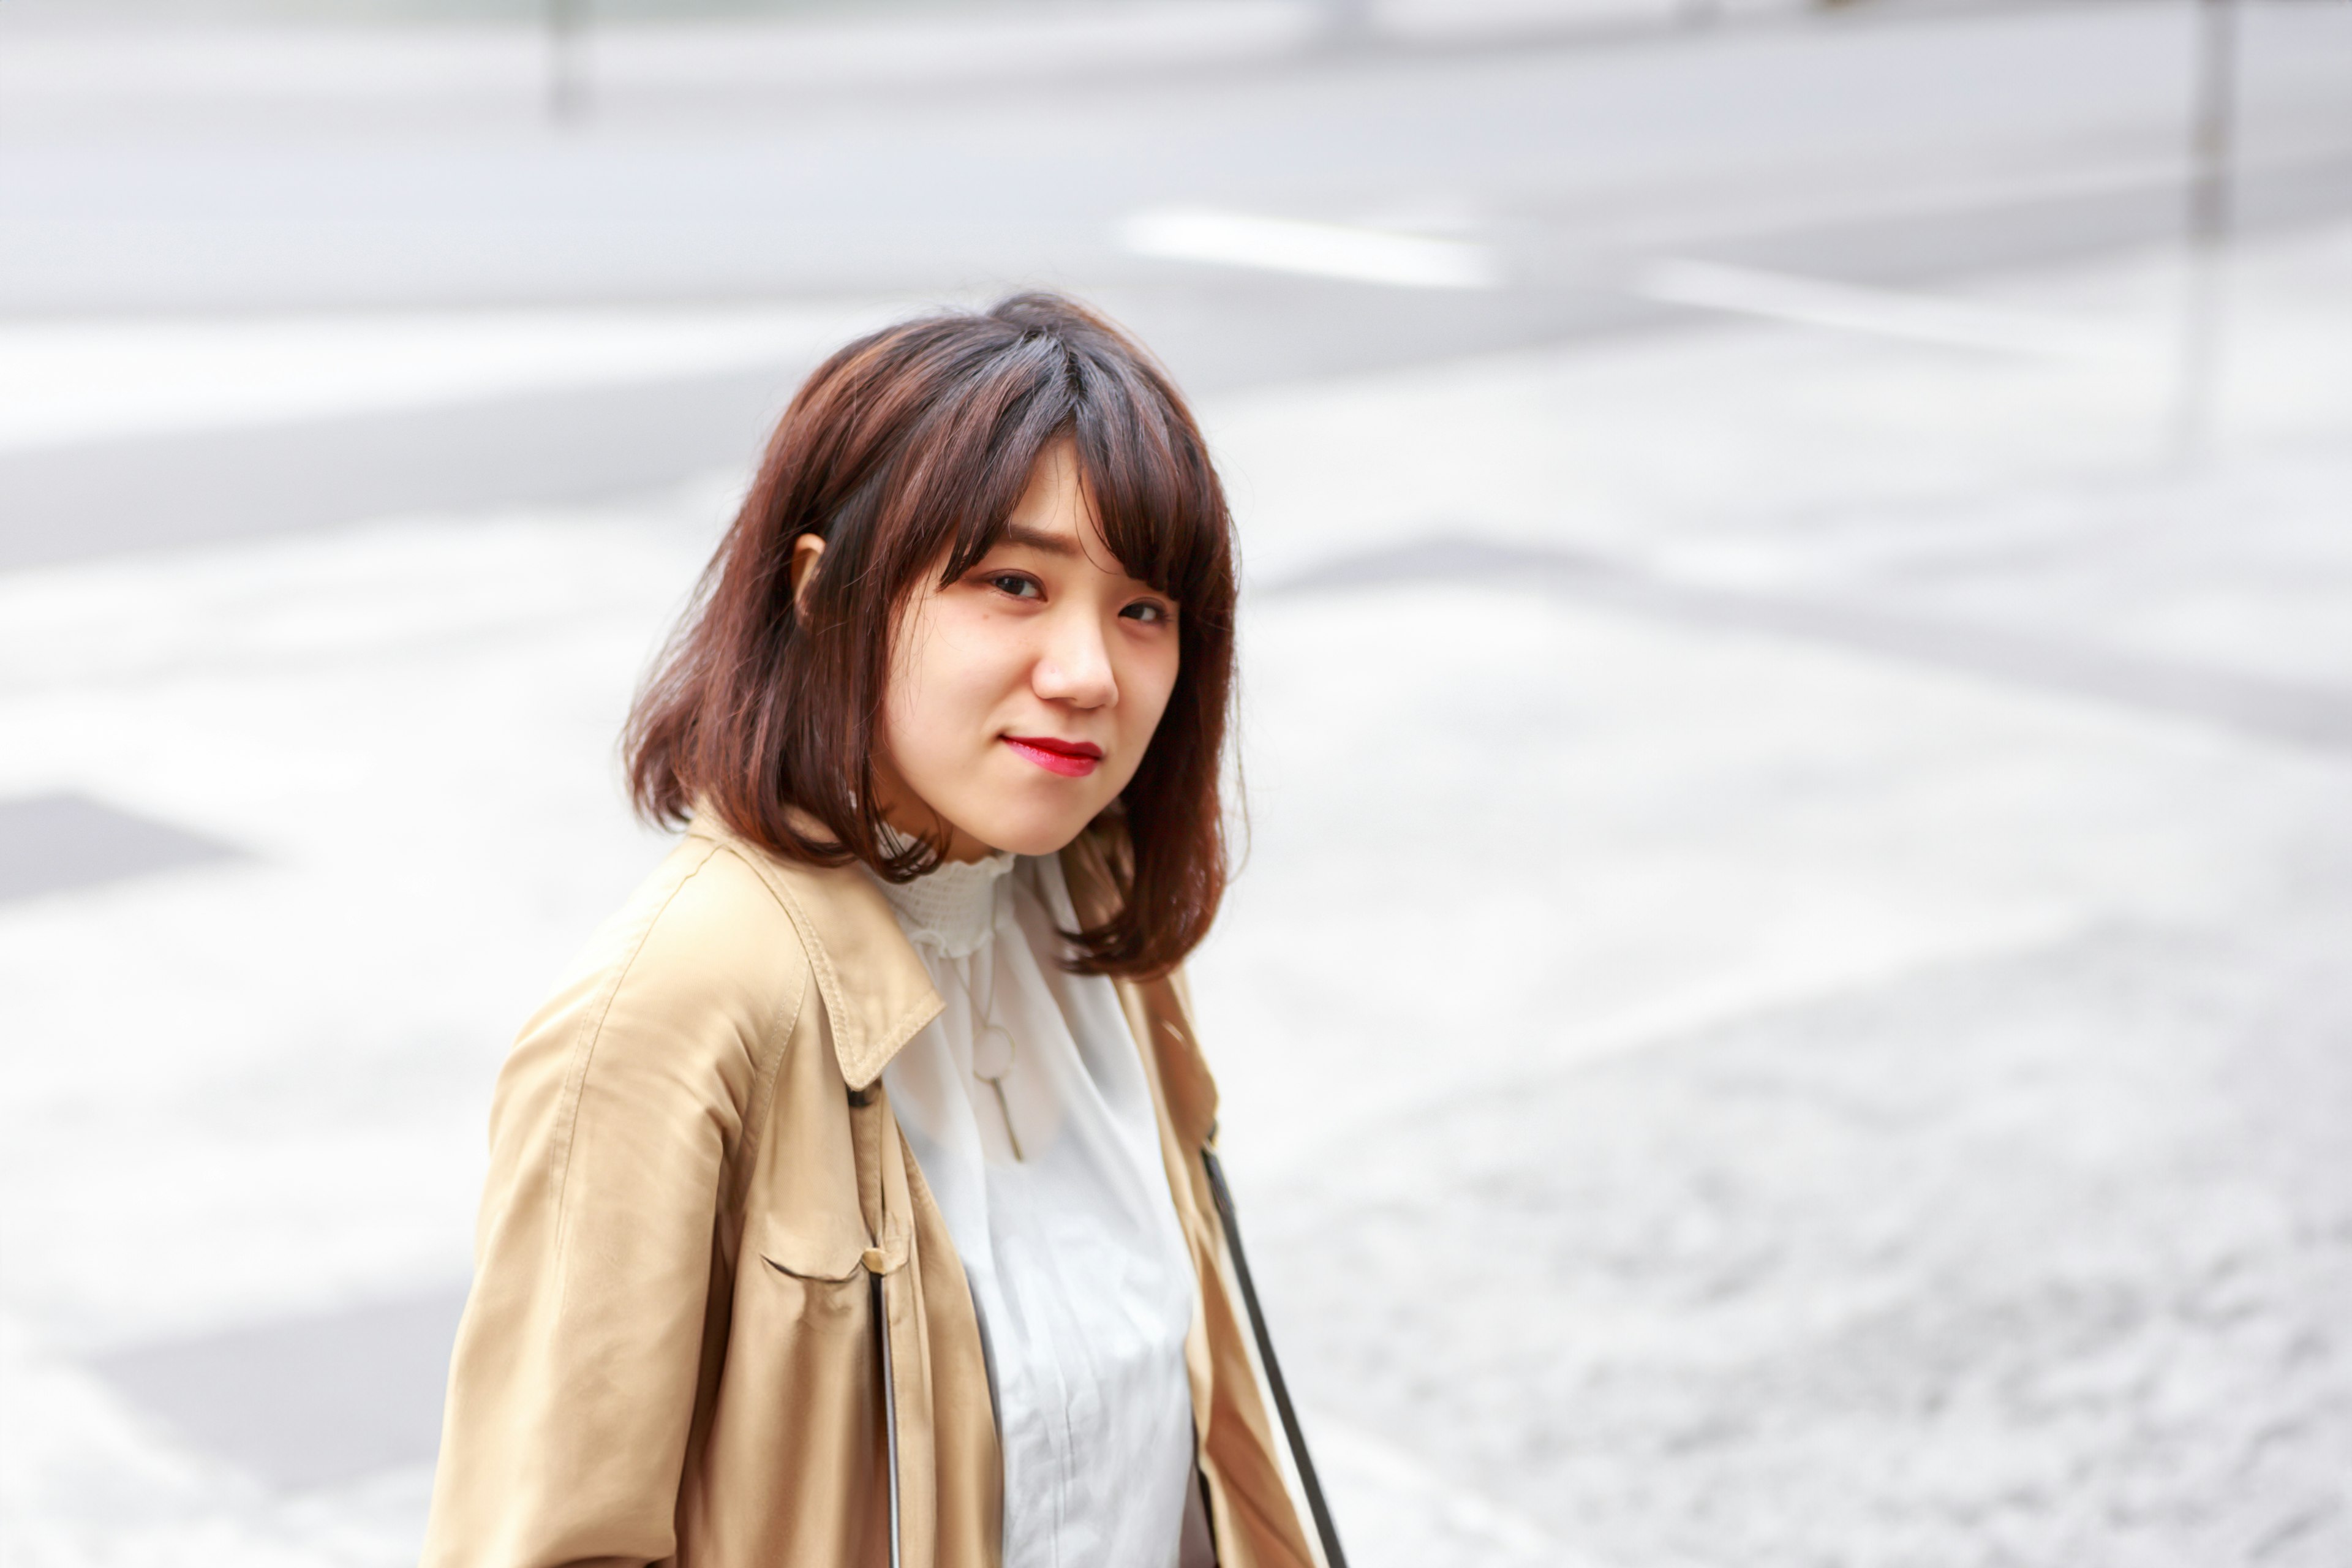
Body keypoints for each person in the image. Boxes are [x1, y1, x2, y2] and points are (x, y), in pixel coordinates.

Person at [422, 294, 1326, 1568]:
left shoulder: (1093, 920)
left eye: (1144, 609)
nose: (1088, 671)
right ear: (823, 590)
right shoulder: (672, 1011)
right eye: (1015, 583)